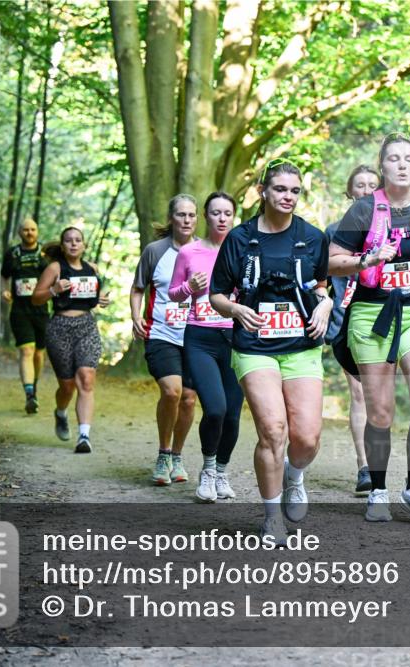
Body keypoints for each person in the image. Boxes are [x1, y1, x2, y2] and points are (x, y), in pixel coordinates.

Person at [329, 132, 410, 525]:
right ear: (383, 165)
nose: (402, 165)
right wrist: (368, 259)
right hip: (372, 314)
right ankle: (377, 489)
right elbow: (333, 261)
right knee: (381, 413)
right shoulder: (363, 212)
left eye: (408, 158)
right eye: (393, 159)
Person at [209, 160, 333, 545]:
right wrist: (234, 309)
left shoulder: (312, 237)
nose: (288, 197)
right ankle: (271, 516)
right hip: (254, 346)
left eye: (294, 191)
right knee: (273, 428)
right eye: (280, 189)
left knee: (307, 438)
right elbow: (216, 294)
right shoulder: (239, 239)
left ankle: (295, 477)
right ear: (263, 190)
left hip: (301, 346)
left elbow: (322, 286)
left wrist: (326, 305)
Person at [168, 192, 243, 503]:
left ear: (234, 216)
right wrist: (190, 288)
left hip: (236, 339)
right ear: (206, 216)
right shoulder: (190, 252)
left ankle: (222, 472)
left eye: (227, 212)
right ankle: (208, 470)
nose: (222, 218)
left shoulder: (243, 251)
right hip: (200, 337)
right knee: (215, 408)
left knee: (234, 416)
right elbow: (174, 293)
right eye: (215, 213)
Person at [130, 196, 200, 486]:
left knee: (188, 398)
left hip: (196, 335)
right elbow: (137, 288)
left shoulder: (205, 252)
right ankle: (163, 453)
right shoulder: (155, 251)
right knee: (171, 392)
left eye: (192, 215)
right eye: (181, 214)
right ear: (171, 218)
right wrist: (135, 316)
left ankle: (177, 455)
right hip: (161, 333)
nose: (186, 220)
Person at [32, 226, 110, 453]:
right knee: (67, 386)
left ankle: (84, 436)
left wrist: (101, 301)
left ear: (84, 245)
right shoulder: (55, 268)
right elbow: (36, 299)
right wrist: (54, 290)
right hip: (60, 328)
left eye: (78, 240)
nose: (74, 244)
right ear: (63, 245)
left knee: (85, 378)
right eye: (69, 240)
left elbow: (93, 298)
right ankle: (60, 412)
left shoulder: (92, 269)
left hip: (86, 326)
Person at [325, 165, 379, 496]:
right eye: (360, 185)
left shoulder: (393, 230)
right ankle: (365, 468)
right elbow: (320, 278)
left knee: (378, 394)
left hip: (383, 318)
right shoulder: (333, 232)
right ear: (350, 192)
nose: (366, 190)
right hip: (345, 319)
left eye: (373, 185)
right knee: (359, 393)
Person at [1, 218, 51, 414]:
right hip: (19, 310)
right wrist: (4, 291)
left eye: (33, 229)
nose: (29, 233)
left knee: (39, 353)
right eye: (25, 230)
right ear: (19, 232)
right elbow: (4, 275)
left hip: (41, 310)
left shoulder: (45, 254)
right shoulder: (12, 254)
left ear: (37, 231)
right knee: (26, 352)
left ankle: (34, 386)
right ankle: (29, 394)